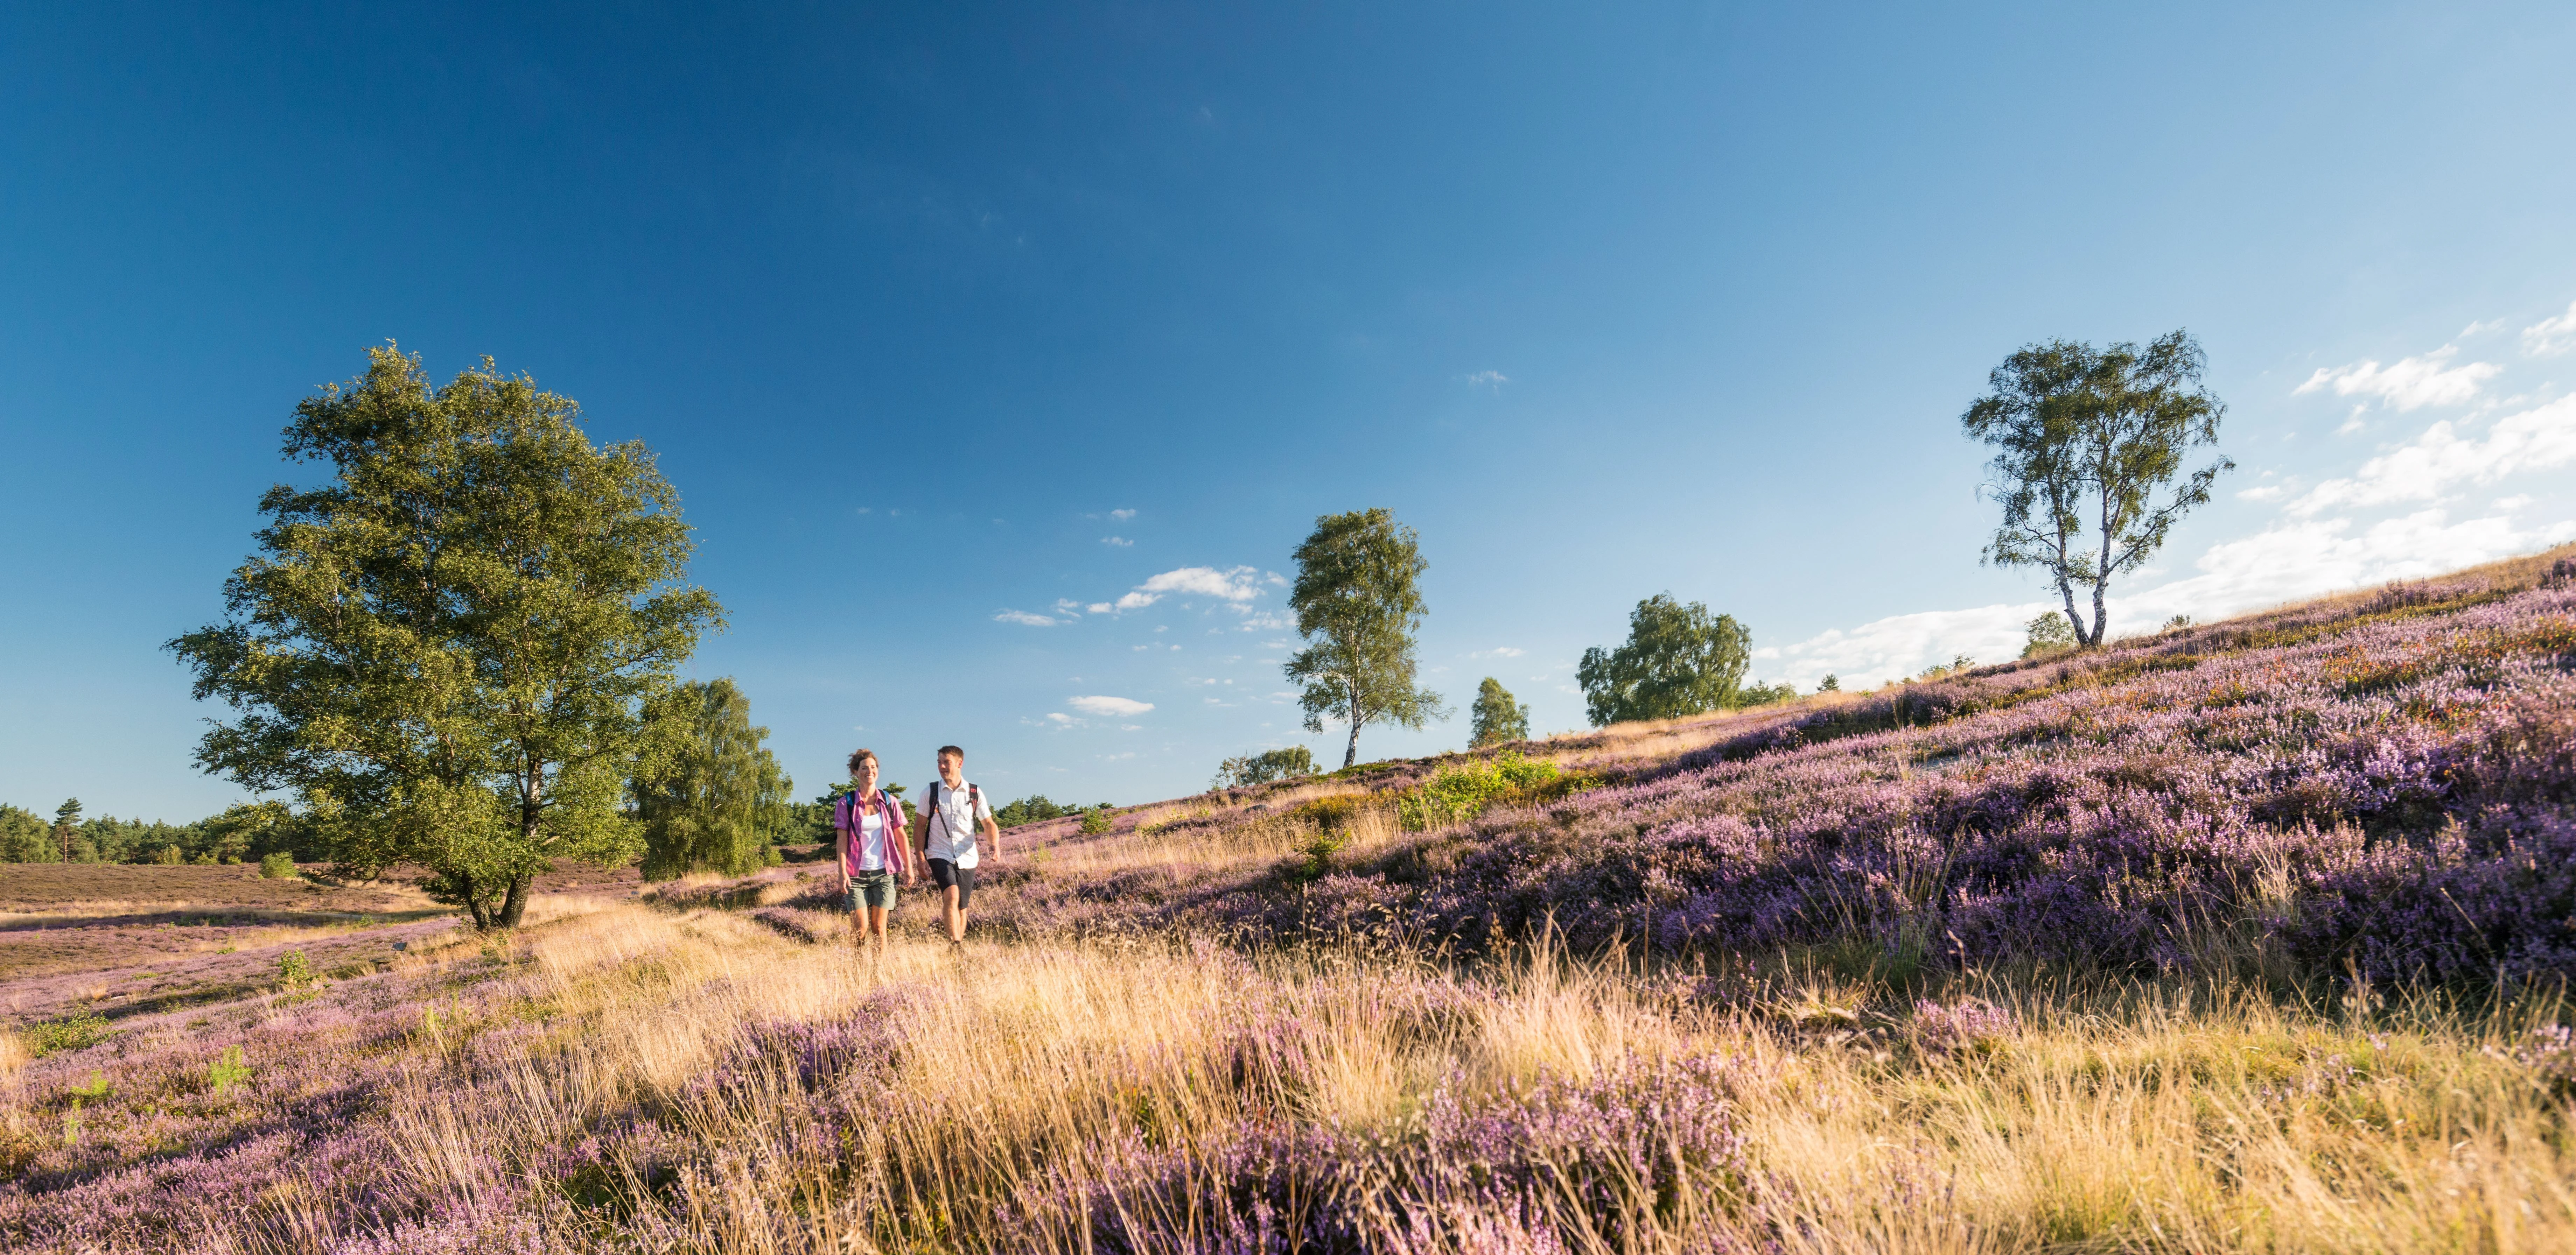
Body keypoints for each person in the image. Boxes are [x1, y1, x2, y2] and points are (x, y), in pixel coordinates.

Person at [915, 744, 999, 950]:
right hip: (938, 853)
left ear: (960, 764)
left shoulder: (974, 792)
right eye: (939, 763)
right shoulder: (931, 792)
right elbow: (919, 827)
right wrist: (920, 858)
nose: (942, 767)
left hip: (967, 856)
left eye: (947, 763)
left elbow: (988, 823)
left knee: (962, 905)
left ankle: (957, 949)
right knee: (951, 895)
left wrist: (994, 845)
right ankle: (956, 943)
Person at [833, 748, 915, 956]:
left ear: (877, 771)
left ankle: (878, 973)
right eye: (864, 768)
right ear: (856, 772)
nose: (870, 771)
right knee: (860, 929)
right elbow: (842, 840)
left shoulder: (889, 802)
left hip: (885, 874)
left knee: (880, 928)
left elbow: (901, 836)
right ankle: (859, 972)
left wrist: (909, 868)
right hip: (856, 875)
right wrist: (842, 873)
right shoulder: (846, 803)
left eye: (873, 767)